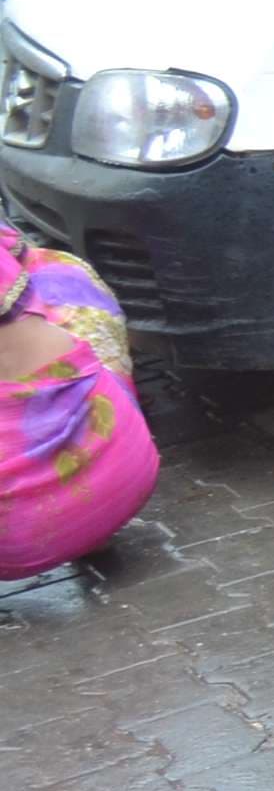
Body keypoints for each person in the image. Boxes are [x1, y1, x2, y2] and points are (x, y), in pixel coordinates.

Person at [0, 222, 158, 580]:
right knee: (63, 282)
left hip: (14, 545)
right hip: (127, 474)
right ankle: (93, 533)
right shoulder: (54, 269)